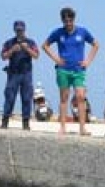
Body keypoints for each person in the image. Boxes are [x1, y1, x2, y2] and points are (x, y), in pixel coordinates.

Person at [43, 7, 100, 136]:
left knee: (80, 97)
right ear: (62, 20)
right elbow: (45, 45)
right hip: (63, 70)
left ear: (74, 19)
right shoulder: (58, 32)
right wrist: (56, 59)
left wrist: (88, 61)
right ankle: (63, 127)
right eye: (65, 20)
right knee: (64, 98)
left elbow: (96, 44)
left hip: (79, 70)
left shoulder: (82, 31)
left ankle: (82, 128)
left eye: (70, 20)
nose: (68, 23)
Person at [0, 20, 39, 130]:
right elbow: (3, 57)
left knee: (27, 98)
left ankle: (26, 123)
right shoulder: (9, 43)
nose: (19, 32)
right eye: (17, 30)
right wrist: (12, 50)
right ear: (14, 30)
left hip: (26, 73)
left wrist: (27, 49)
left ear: (24, 30)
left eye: (21, 30)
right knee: (10, 97)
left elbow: (36, 55)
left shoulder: (31, 42)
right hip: (13, 74)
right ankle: (5, 121)